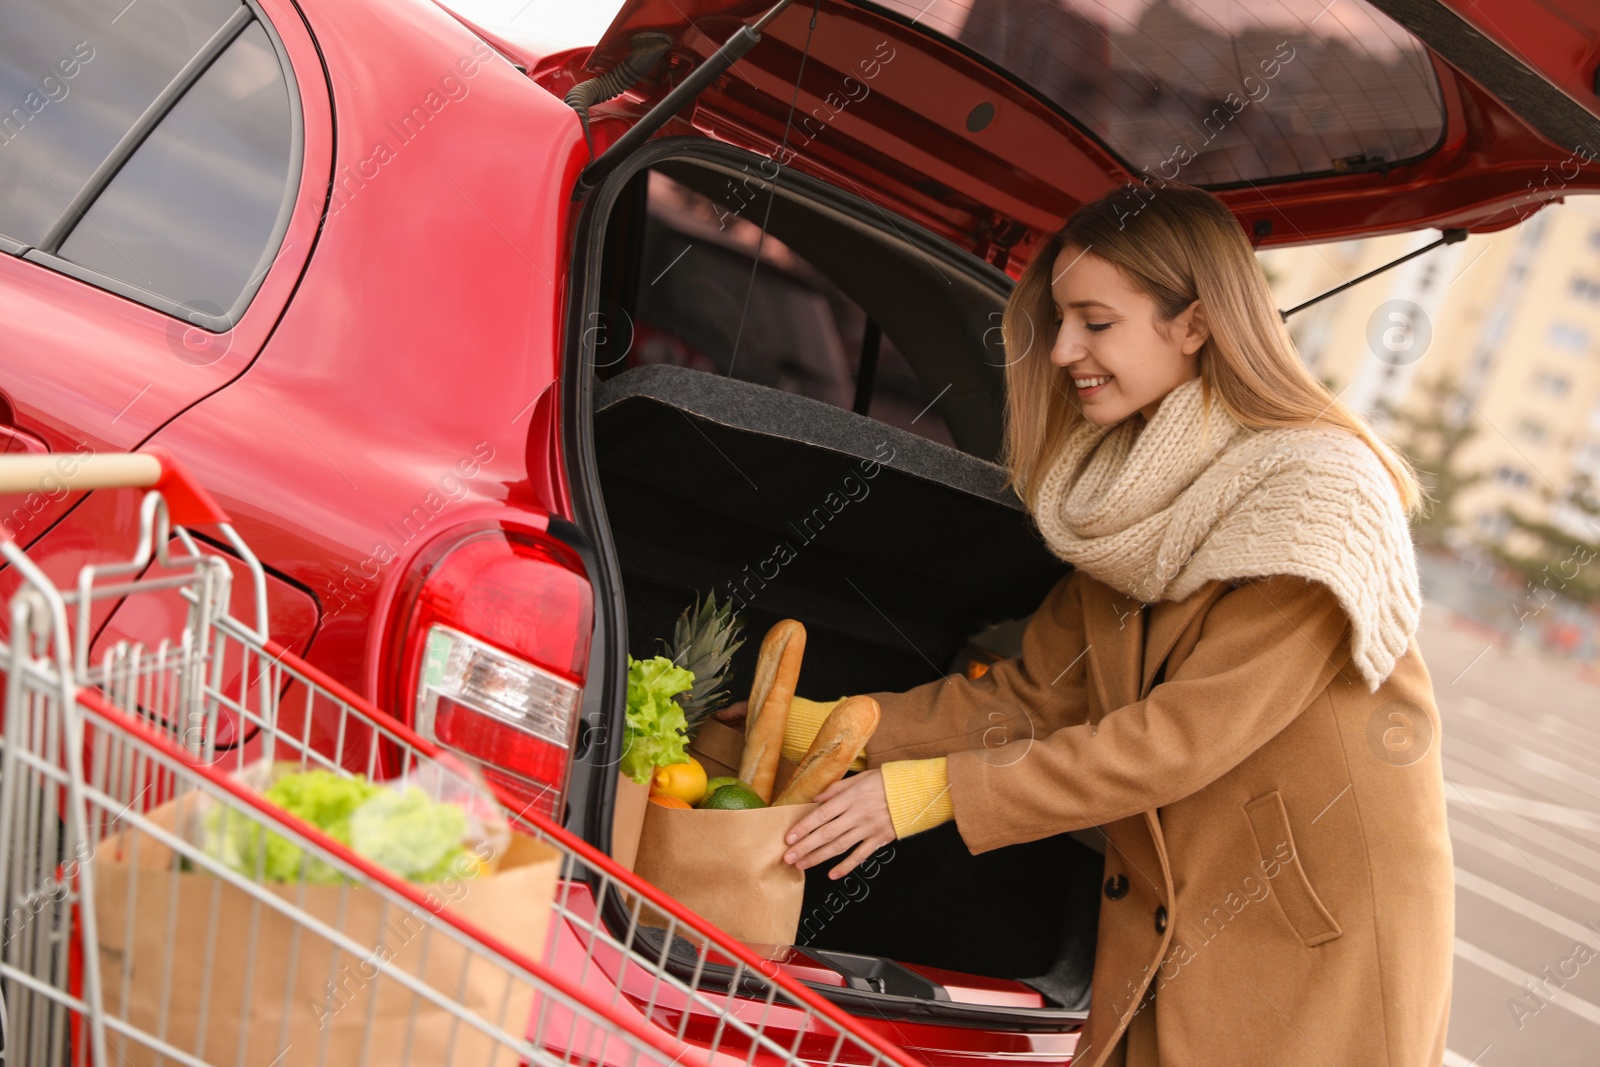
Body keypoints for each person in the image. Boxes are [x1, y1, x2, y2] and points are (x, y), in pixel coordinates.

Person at [716, 179, 1453, 1067]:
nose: (1063, 349)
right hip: (1180, 915)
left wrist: (927, 791)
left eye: (1095, 322)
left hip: (1313, 939)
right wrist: (805, 724)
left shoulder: (1314, 498)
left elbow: (1173, 741)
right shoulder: (1130, 501)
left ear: (1195, 322)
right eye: (1060, 321)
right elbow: (1029, 699)